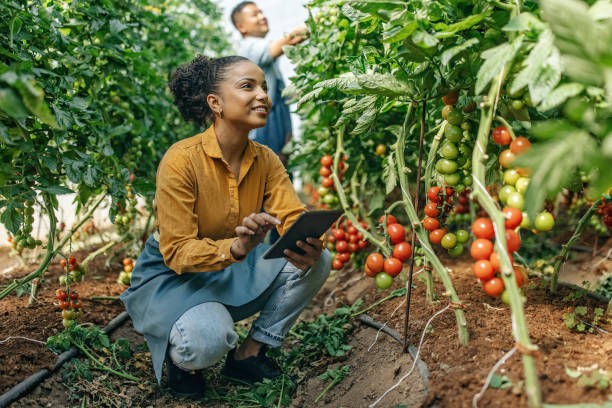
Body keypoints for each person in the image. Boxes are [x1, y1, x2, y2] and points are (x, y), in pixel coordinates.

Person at [120, 55, 331, 399]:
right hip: (175, 276)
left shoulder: (266, 159)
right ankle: (184, 362)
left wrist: (305, 240)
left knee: (316, 262)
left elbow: (291, 215)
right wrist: (233, 248)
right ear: (215, 103)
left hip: (234, 263)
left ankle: (249, 355)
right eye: (248, 86)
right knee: (205, 342)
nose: (263, 95)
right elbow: (177, 252)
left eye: (264, 86)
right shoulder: (181, 160)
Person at [231, 1, 308, 164]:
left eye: (261, 12)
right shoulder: (249, 48)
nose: (262, 16)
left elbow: (281, 101)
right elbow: (286, 43)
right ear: (241, 27)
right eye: (254, 14)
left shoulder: (269, 64)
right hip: (263, 133)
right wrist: (314, 24)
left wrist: (287, 140)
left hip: (277, 133)